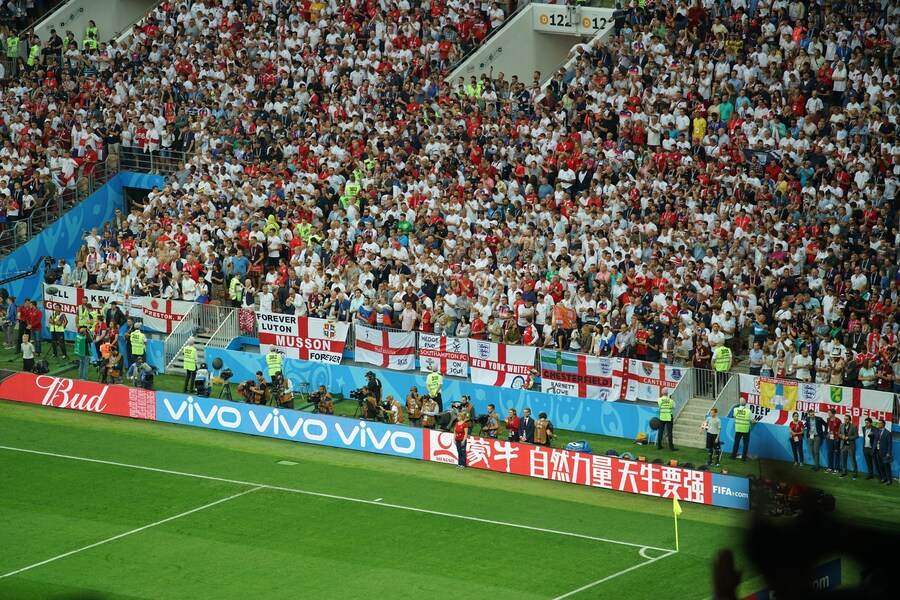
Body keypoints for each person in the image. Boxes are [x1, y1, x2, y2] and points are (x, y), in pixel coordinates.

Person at [872, 419, 893, 485]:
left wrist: (888, 452)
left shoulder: (887, 433)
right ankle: (884, 478)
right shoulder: (876, 431)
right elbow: (875, 440)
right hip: (877, 451)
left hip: (884, 452)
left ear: (883, 424)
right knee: (880, 466)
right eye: (878, 423)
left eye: (880, 423)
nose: (878, 424)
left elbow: (890, 443)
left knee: (886, 466)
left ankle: (889, 480)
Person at [838, 415, 859, 479]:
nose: (845, 420)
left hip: (851, 446)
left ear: (850, 420)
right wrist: (842, 436)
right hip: (843, 445)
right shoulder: (841, 425)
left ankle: (855, 473)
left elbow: (856, 436)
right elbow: (839, 434)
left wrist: (848, 438)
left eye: (847, 419)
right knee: (844, 460)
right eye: (844, 419)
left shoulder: (854, 426)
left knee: (853, 460)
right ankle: (844, 473)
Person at [824, 408, 841, 473]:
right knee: (829, 452)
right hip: (829, 438)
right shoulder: (828, 419)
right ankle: (830, 467)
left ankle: (836, 468)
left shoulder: (838, 420)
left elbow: (841, 429)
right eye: (828, 413)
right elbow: (829, 427)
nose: (828, 414)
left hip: (836, 438)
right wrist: (828, 433)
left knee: (836, 453)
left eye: (830, 413)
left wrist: (838, 435)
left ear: (833, 414)